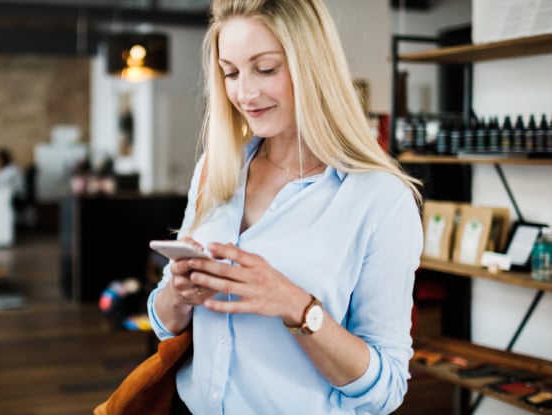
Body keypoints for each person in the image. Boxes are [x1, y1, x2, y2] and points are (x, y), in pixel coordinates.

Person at [146, 1, 423, 414]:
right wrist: (179, 293)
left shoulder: (381, 199)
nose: (244, 92)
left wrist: (296, 306)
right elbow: (163, 321)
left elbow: (385, 391)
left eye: (266, 68)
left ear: (313, 66)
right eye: (231, 72)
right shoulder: (217, 167)